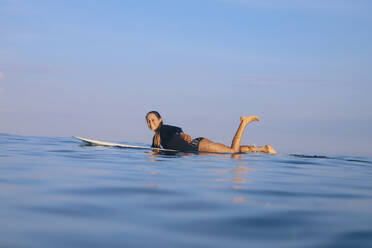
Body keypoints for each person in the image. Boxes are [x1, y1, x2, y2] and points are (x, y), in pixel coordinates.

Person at [146, 111, 277, 154]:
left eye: (153, 120)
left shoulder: (163, 129)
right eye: (148, 121)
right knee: (228, 151)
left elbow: (176, 129)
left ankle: (244, 123)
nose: (151, 123)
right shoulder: (156, 138)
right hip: (197, 147)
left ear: (160, 120)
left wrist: (183, 134)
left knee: (232, 151)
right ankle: (263, 149)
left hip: (195, 146)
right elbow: (155, 151)